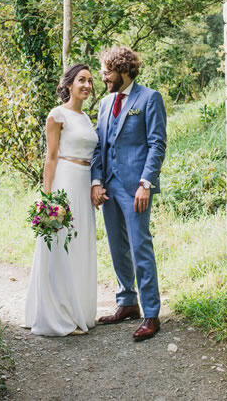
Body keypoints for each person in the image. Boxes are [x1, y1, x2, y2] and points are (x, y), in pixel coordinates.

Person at [90, 47, 167, 341]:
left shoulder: (149, 98)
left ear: (123, 70)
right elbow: (99, 146)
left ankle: (150, 313)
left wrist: (146, 183)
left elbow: (156, 144)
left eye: (107, 73)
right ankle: (127, 302)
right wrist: (96, 181)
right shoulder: (106, 102)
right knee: (116, 247)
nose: (103, 78)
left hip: (136, 188)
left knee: (140, 247)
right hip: (108, 186)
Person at [25, 64, 99, 336]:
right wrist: (48, 198)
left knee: (80, 245)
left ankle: (78, 309)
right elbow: (51, 157)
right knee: (61, 245)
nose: (87, 85)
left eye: (90, 81)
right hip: (65, 182)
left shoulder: (88, 119)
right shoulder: (57, 115)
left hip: (84, 183)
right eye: (82, 80)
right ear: (68, 84)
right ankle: (58, 315)